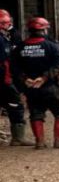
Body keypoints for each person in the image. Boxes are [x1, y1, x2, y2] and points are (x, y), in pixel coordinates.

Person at [12, 18, 59, 149]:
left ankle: (39, 142)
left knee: (36, 113)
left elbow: (14, 67)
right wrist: (44, 78)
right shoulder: (51, 46)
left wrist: (25, 79)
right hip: (51, 87)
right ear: (44, 30)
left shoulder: (20, 47)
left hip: (31, 88)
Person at [0, 10, 32, 146]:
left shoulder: (6, 37)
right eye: (6, 23)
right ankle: (18, 137)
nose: (9, 25)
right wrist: (9, 79)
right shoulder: (1, 40)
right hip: (3, 79)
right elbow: (4, 62)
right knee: (16, 104)